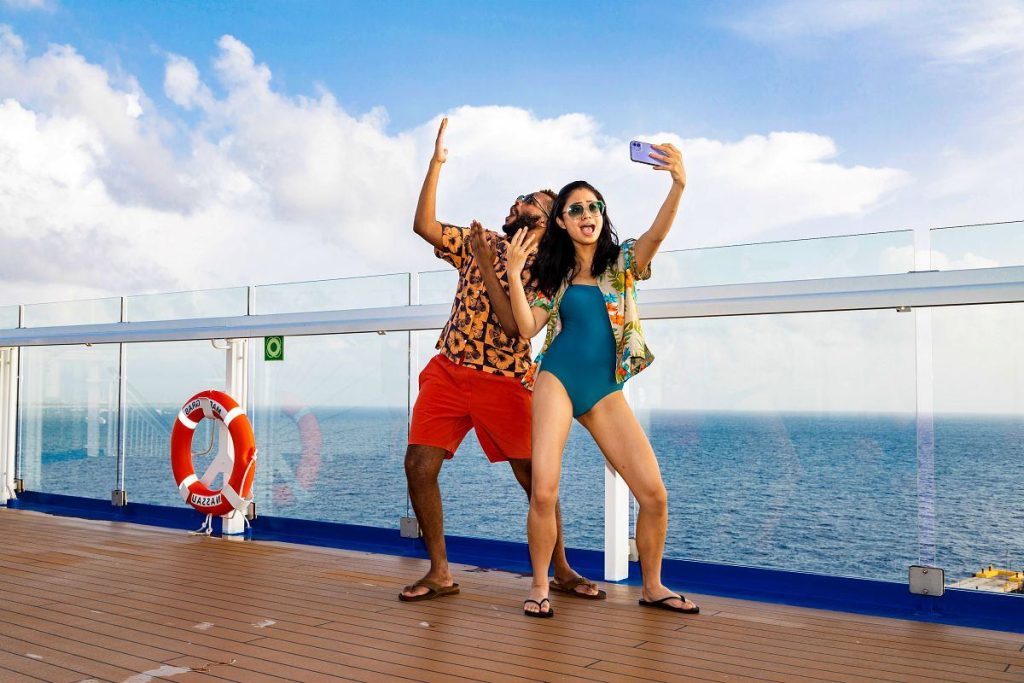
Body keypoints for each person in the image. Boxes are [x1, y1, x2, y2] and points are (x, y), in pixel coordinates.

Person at [400, 117, 603, 602]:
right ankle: (439, 572)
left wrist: (495, 267)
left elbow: (515, 327)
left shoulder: (550, 270)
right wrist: (436, 163)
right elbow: (423, 225)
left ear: (547, 220)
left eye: (530, 201)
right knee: (418, 466)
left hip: (506, 380)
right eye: (520, 198)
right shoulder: (483, 240)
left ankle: (562, 570)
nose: (518, 202)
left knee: (535, 480)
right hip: (449, 370)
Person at [507, 142, 698, 618]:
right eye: (575, 209)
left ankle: (652, 585)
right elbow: (529, 328)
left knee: (654, 494)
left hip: (603, 389)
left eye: (594, 206)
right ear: (563, 222)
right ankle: (539, 586)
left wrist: (678, 184)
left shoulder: (622, 265)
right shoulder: (556, 276)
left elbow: (656, 234)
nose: (587, 214)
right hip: (558, 380)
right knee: (545, 490)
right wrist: (513, 273)